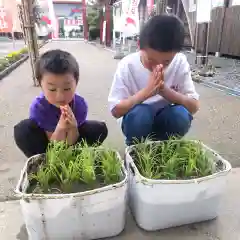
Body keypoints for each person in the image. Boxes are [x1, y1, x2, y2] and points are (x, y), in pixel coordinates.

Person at [108, 14, 199, 145]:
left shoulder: (179, 62)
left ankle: (165, 147)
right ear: (139, 45)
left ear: (176, 53)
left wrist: (165, 91)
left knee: (180, 115)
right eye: (151, 60)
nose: (158, 66)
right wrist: (147, 92)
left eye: (166, 62)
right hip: (136, 123)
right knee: (141, 113)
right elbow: (116, 110)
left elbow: (194, 106)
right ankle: (135, 150)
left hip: (166, 120)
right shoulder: (127, 65)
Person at [14, 49, 108, 158]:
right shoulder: (39, 108)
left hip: (71, 141)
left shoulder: (80, 105)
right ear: (41, 84)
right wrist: (61, 128)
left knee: (99, 128)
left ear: (76, 83)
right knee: (23, 130)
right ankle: (42, 162)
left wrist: (73, 127)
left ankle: (76, 156)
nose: (60, 96)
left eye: (67, 88)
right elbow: (54, 145)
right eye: (52, 89)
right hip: (47, 143)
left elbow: (72, 141)